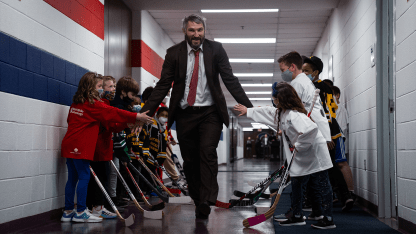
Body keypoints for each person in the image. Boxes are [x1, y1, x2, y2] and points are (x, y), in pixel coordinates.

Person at [139, 14, 253, 219]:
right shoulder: (174, 53)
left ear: (204, 31)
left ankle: (206, 200)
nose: (196, 34)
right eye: (192, 30)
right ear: (185, 31)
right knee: (190, 159)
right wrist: (144, 112)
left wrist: (251, 109)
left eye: (199, 30)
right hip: (185, 113)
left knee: (207, 152)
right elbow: (163, 85)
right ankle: (198, 196)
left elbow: (230, 79)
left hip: (211, 112)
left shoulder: (216, 50)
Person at [234, 82, 335, 229]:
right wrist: (248, 111)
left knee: (322, 184)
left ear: (282, 99)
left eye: (274, 98)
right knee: (297, 183)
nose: (273, 101)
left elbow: (311, 130)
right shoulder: (283, 113)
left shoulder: (295, 115)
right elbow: (268, 112)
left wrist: (298, 145)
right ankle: (298, 215)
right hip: (302, 154)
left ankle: (328, 218)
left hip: (315, 152)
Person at [60, 72, 152, 223]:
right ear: (90, 88)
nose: (102, 89)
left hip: (69, 143)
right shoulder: (93, 105)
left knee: (72, 178)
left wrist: (129, 122)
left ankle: (68, 211)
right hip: (81, 146)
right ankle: (81, 211)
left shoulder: (77, 103)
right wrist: (136, 117)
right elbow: (113, 112)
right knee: (84, 176)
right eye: (99, 86)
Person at [302, 56, 354, 211]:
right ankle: (343, 197)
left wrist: (326, 136)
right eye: (302, 70)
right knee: (327, 167)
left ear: (316, 72)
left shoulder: (320, 88)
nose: (303, 73)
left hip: (328, 132)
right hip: (322, 132)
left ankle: (338, 198)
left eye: (306, 71)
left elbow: (326, 114)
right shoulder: (313, 87)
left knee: (326, 167)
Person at [333, 86, 354, 195]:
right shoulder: (331, 108)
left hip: (338, 138)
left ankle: (350, 192)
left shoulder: (339, 108)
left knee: (342, 164)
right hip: (333, 138)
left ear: (337, 96)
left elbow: (342, 128)